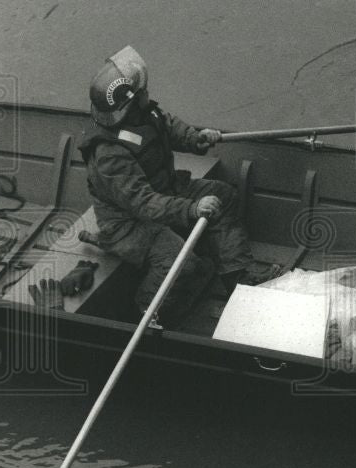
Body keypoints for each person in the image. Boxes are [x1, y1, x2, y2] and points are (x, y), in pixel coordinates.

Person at [78, 45, 275, 326]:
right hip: (129, 225)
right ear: (131, 103)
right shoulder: (109, 154)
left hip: (165, 193)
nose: (148, 92)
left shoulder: (143, 114)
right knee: (180, 263)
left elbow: (167, 125)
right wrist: (192, 209)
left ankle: (237, 276)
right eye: (142, 91)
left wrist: (195, 138)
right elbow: (143, 204)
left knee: (224, 196)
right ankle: (146, 312)